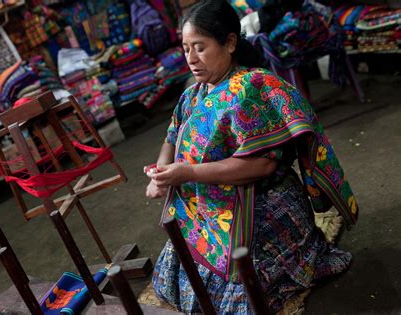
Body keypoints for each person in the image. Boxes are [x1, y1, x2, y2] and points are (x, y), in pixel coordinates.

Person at [145, 1, 359, 314]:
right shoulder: (194, 93)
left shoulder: (252, 89)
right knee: (176, 277)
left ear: (230, 43)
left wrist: (187, 173)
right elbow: (172, 134)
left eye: (200, 48)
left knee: (237, 302)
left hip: (262, 203)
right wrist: (163, 171)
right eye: (186, 48)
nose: (190, 59)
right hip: (210, 205)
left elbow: (262, 164)